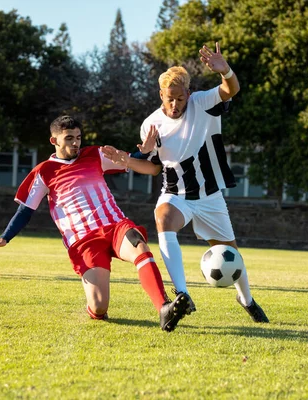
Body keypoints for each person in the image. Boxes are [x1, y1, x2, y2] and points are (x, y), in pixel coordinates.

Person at [102, 42, 269, 323]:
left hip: (209, 196)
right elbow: (154, 169)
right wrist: (129, 159)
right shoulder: (150, 124)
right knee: (163, 218)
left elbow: (232, 90)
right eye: (169, 99)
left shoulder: (202, 103)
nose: (175, 104)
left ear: (188, 94)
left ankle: (246, 299)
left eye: (180, 98)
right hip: (175, 194)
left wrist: (225, 70)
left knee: (231, 254)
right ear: (161, 95)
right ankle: (182, 294)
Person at [0, 115, 190, 332]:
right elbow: (25, 211)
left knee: (139, 245)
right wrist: (4, 238)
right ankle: (95, 307)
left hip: (115, 225)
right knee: (99, 306)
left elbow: (126, 158)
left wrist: (144, 151)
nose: (76, 143)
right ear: (54, 141)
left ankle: (164, 308)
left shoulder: (95, 154)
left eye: (78, 137)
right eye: (69, 138)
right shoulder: (43, 171)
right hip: (84, 241)